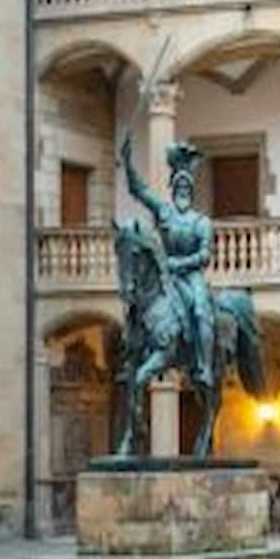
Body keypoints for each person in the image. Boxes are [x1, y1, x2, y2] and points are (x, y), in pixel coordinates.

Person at [121, 135, 217, 398]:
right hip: (167, 276)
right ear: (173, 189)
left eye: (187, 185)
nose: (183, 189)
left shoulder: (202, 222)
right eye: (179, 185)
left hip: (191, 275)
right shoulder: (163, 211)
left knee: (200, 311)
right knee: (140, 305)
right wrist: (127, 162)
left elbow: (205, 255)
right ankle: (130, 352)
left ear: (192, 190)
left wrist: (179, 263)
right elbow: (138, 190)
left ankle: (204, 365)